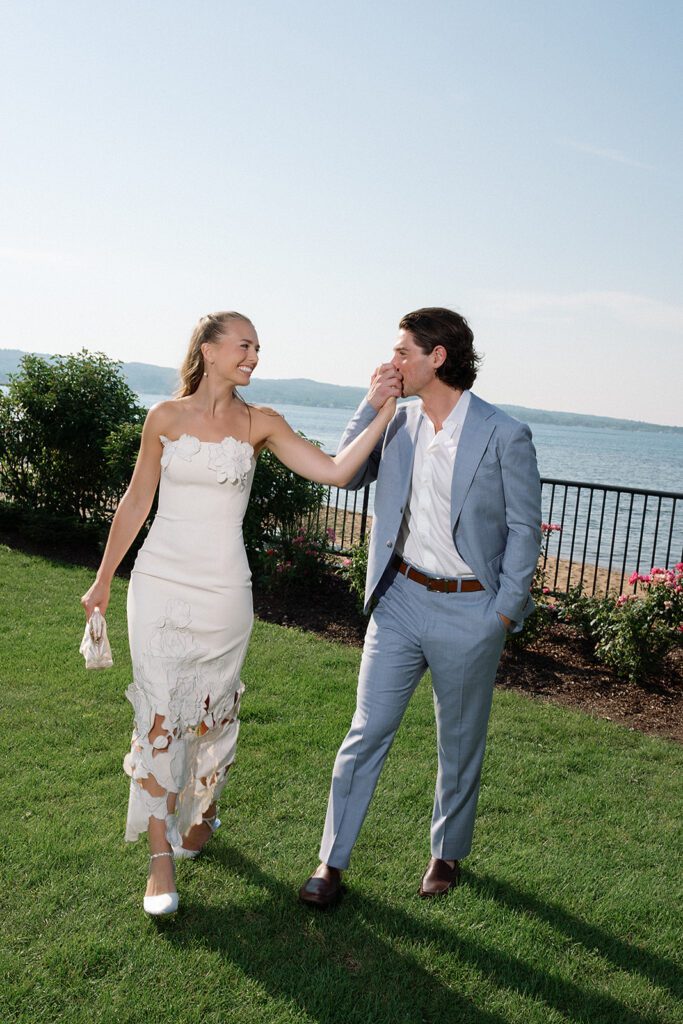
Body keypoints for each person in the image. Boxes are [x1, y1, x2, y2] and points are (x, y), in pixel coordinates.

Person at [81, 311, 398, 916]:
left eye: (258, 348)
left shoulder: (261, 423)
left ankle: (203, 811)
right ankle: (160, 859)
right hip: (159, 583)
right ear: (208, 349)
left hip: (225, 592)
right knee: (159, 715)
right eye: (244, 345)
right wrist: (102, 580)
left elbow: (336, 470)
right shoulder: (164, 417)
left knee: (211, 714)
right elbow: (136, 499)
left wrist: (382, 408)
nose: (254, 356)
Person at [299, 307, 542, 907]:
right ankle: (331, 862)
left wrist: (502, 614)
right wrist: (371, 403)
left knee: (459, 742)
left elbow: (523, 529)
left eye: (402, 352)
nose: (392, 362)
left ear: (438, 357)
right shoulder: (396, 421)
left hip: (471, 609)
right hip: (400, 601)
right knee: (366, 731)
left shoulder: (504, 433)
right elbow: (344, 474)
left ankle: (446, 852)